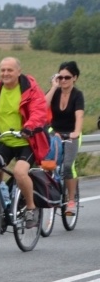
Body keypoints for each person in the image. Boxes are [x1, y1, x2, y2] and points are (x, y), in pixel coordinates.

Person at [0, 57, 50, 228]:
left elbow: (39, 111)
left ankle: (30, 208)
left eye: (10, 70)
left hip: (26, 141)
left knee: (20, 172)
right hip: (4, 140)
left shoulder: (30, 89)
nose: (5, 73)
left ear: (19, 71)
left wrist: (29, 127)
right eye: (3, 70)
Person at [44, 61, 84, 215]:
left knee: (67, 166)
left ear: (74, 78)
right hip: (55, 132)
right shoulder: (55, 91)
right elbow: (43, 106)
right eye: (60, 77)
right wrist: (54, 87)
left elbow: (79, 115)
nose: (63, 80)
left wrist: (76, 132)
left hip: (72, 132)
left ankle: (71, 201)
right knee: (47, 164)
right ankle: (49, 194)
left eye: (67, 77)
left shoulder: (77, 95)